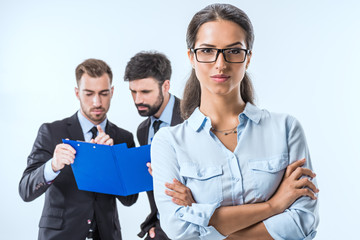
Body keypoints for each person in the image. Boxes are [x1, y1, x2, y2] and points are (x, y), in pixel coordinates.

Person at [151, 4, 319, 240]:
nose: (220, 64)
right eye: (207, 51)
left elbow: (303, 222)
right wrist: (274, 206)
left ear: (248, 58)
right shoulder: (169, 142)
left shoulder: (286, 129)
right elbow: (179, 230)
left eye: (234, 51)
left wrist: (205, 219)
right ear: (191, 57)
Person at [19, 58, 138, 240]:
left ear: (112, 92)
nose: (97, 102)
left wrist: (110, 162)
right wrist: (53, 165)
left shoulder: (124, 138)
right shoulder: (51, 132)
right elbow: (25, 191)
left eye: (104, 93)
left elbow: (130, 200)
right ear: (77, 93)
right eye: (89, 93)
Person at [124, 51, 183, 240]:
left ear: (166, 86)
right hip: (159, 229)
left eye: (145, 92)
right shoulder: (142, 130)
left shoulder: (193, 118)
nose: (137, 100)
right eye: (133, 91)